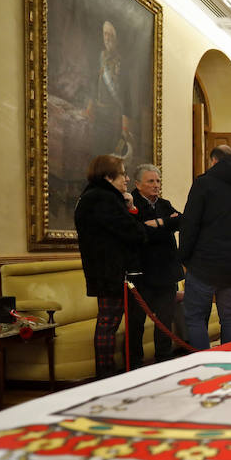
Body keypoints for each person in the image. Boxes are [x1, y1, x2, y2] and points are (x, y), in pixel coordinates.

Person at [179, 145, 231, 350]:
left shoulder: (204, 184)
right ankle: (230, 363)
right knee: (229, 316)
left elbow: (190, 224)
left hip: (203, 264)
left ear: (214, 161)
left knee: (196, 318)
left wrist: (184, 257)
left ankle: (203, 365)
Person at [74, 154, 146, 378]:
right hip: (111, 271)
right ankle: (105, 375)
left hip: (107, 269)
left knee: (110, 322)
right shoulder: (103, 199)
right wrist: (135, 218)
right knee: (108, 323)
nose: (126, 178)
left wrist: (130, 208)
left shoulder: (94, 196)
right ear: (108, 176)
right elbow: (134, 233)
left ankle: (111, 373)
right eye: (123, 173)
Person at [126, 164, 182, 369]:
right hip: (142, 273)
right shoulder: (130, 203)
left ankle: (164, 360)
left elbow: (181, 221)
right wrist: (166, 223)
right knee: (136, 323)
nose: (156, 185)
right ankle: (134, 364)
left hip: (166, 272)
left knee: (165, 321)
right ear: (138, 184)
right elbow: (138, 232)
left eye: (158, 181)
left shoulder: (165, 203)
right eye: (151, 181)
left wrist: (156, 223)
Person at [85, 21, 133, 165]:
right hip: (98, 114)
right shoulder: (99, 58)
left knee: (110, 158)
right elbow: (93, 85)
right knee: (96, 154)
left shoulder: (123, 64)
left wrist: (125, 128)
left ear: (116, 39)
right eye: (105, 34)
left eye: (111, 35)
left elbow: (126, 98)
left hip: (113, 117)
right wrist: (90, 107)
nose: (107, 38)